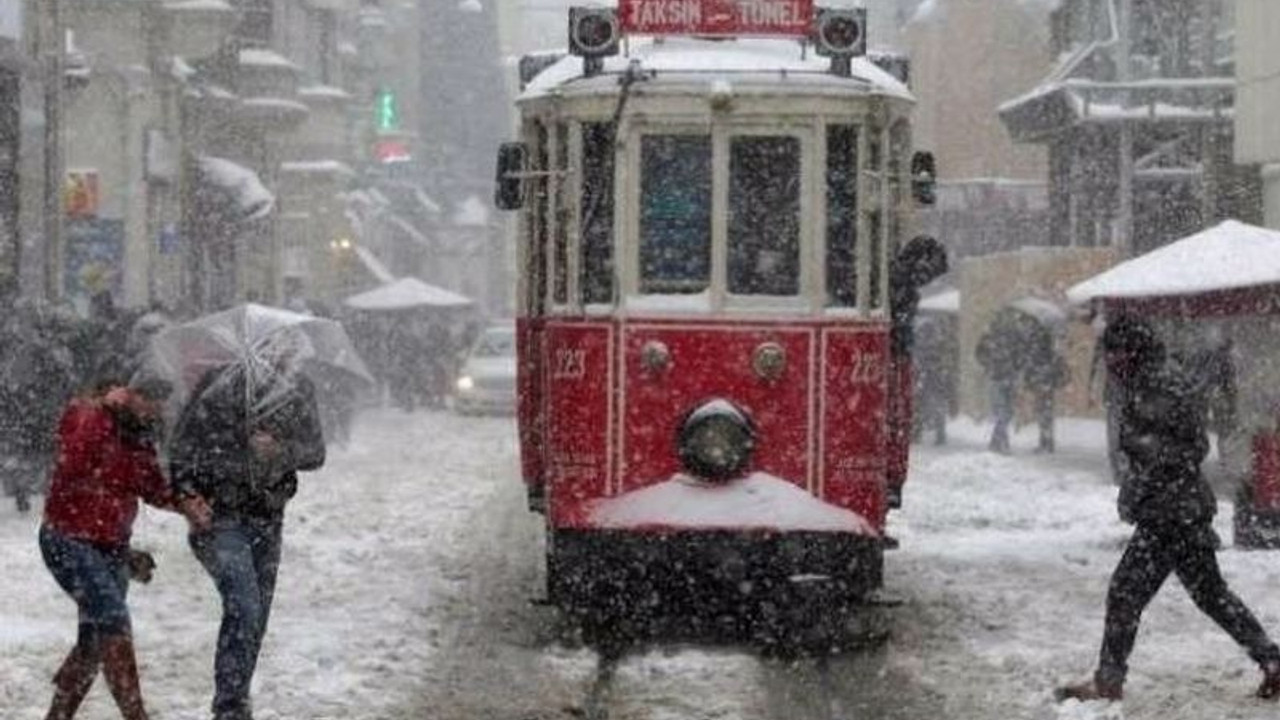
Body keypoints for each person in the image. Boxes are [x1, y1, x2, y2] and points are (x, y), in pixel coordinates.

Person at [1056, 315, 1280, 703]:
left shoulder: (1157, 384)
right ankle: (1273, 660)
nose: (1110, 362)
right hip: (1179, 508)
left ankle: (1109, 681)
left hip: (1169, 512)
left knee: (1126, 593)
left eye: (1114, 353)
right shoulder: (1152, 379)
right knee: (1211, 595)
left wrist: (1143, 479)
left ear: (1131, 351)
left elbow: (1182, 447)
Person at [169, 328, 326, 720]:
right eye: (273, 348)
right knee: (244, 606)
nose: (282, 357)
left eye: (288, 350)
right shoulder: (218, 386)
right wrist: (188, 493)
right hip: (222, 517)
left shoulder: (297, 390)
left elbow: (315, 452)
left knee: (257, 616)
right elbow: (183, 446)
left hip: (269, 516)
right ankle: (230, 707)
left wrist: (281, 449)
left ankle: (235, 696)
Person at [39, 377, 211, 720]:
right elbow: (72, 459)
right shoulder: (85, 416)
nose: (154, 412)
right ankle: (137, 716)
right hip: (68, 538)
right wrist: (103, 412)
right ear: (128, 395)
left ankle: (57, 715)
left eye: (160, 406)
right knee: (113, 622)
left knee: (93, 642)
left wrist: (185, 504)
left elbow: (150, 487)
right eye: (149, 402)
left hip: (111, 548)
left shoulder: (139, 439)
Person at [975, 310, 1026, 454]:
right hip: (1001, 377)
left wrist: (988, 364)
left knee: (1005, 412)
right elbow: (979, 353)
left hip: (1003, 377)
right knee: (1004, 412)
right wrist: (990, 363)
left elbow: (1021, 355)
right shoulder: (993, 336)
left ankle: (996, 442)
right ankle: (1002, 443)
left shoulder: (1007, 336)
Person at [1023, 327, 1069, 454]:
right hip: (1048, 385)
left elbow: (1030, 369)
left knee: (1042, 413)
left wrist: (1029, 383)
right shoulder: (1052, 353)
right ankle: (1047, 441)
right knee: (1047, 414)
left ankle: (1044, 441)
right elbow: (1060, 370)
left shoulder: (1035, 352)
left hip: (1040, 385)